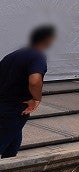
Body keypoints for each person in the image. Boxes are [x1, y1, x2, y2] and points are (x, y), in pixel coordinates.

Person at [0, 25, 55, 158]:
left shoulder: (13, 55)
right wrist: (36, 99)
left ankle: (10, 169)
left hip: (4, 104)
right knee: (4, 139)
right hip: (15, 108)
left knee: (13, 141)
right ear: (47, 39)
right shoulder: (37, 56)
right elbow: (35, 80)